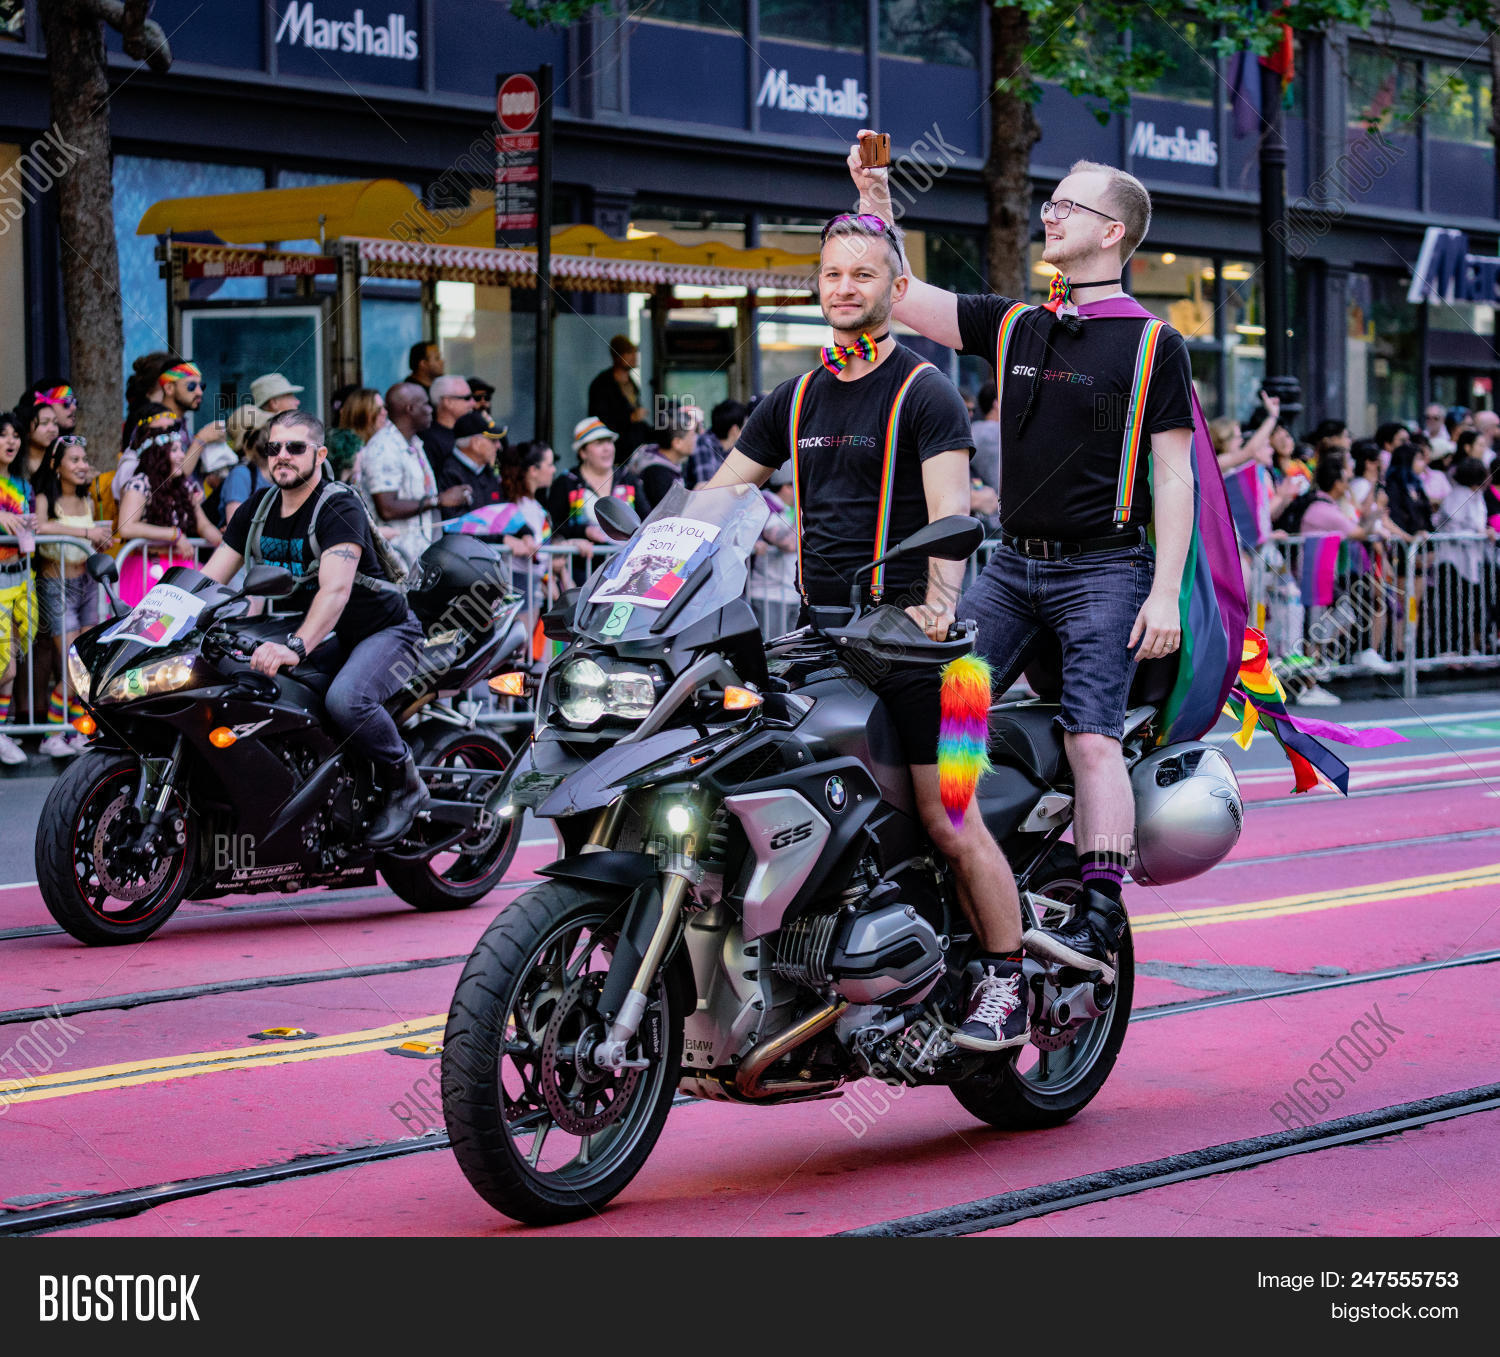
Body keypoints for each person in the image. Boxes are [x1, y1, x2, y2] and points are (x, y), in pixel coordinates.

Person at [849, 144, 1195, 992]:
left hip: (1105, 570)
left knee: (1090, 735)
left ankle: (1102, 904)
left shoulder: (1154, 344)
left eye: (1068, 206)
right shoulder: (1015, 323)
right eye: (1049, 202)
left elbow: (1174, 473)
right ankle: (955, 844)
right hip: (1011, 568)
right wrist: (876, 202)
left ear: (1112, 231)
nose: (1051, 213)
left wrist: (1163, 593)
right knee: (952, 707)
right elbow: (902, 294)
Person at [707, 212, 1030, 1053]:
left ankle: (1003, 977)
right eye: (831, 275)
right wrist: (643, 553)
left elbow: (953, 515)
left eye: (862, 274)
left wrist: (936, 604)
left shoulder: (926, 391)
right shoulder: (796, 396)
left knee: (949, 817)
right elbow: (718, 498)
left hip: (935, 655)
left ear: (895, 288)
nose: (844, 288)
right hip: (826, 640)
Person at [203, 411, 431, 847]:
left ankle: (405, 783)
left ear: (319, 454)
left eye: (295, 447)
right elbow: (209, 578)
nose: (282, 456)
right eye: (274, 448)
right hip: (332, 634)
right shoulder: (257, 509)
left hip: (386, 630)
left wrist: (295, 646)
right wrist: (153, 622)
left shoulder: (337, 505)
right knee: (256, 687)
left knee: (347, 700)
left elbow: (335, 591)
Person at [32, 434, 114, 756]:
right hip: (57, 585)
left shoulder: (88, 500)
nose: (83, 466)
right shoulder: (45, 497)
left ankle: (77, 731)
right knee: (69, 666)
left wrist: (98, 541)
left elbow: (89, 539)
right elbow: (40, 526)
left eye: (84, 459)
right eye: (75, 460)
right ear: (56, 466)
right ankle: (52, 733)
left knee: (84, 665)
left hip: (87, 586)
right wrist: (85, 532)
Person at [358, 381, 468, 573]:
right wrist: (439, 500)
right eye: (425, 404)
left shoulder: (414, 443)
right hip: (394, 562)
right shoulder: (384, 448)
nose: (431, 409)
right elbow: (387, 508)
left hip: (418, 559)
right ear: (410, 408)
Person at [115, 426, 224, 606]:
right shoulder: (140, 483)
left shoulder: (184, 487)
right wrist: (174, 535)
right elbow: (126, 527)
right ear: (157, 455)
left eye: (181, 449)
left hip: (183, 570)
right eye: (174, 450)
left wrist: (225, 542)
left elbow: (203, 525)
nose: (182, 455)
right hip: (147, 570)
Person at [547, 418, 640, 587]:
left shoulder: (628, 478)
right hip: (580, 573)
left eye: (609, 442)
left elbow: (647, 516)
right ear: (583, 452)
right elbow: (553, 526)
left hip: (625, 572)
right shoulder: (566, 482)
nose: (607, 448)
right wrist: (583, 531)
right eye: (598, 443)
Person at [0, 412, 36, 765]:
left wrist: (33, 525)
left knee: (13, 659)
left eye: (15, 435)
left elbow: (30, 529)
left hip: (21, 577)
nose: (11, 441)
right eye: (3, 435)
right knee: (5, 666)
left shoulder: (25, 486)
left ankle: (3, 730)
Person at [587, 335, 652, 460]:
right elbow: (600, 420)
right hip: (614, 453)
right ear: (616, 356)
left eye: (635, 352)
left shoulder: (632, 383)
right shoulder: (602, 384)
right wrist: (631, 418)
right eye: (628, 352)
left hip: (635, 451)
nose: (634, 356)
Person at [623, 409, 695, 516]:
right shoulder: (656, 474)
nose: (695, 439)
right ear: (677, 443)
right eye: (692, 435)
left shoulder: (670, 462)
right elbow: (668, 514)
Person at [438, 410, 506, 515]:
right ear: (476, 444)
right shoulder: (448, 472)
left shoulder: (487, 470)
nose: (499, 446)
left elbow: (502, 509)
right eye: (493, 440)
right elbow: (455, 520)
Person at [219, 405, 274, 524]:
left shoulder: (277, 470)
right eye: (265, 428)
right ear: (253, 439)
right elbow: (235, 526)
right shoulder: (241, 475)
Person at [685, 399, 748, 489]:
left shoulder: (732, 448)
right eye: (745, 426)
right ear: (734, 430)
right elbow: (708, 490)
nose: (748, 431)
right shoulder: (703, 444)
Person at [420, 375, 475, 469]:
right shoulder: (429, 441)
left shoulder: (469, 430)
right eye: (467, 398)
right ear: (448, 402)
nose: (473, 403)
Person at [19, 398, 59, 481]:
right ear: (27, 430)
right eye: (44, 423)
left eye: (55, 423)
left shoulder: (60, 460)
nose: (52, 429)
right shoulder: (15, 462)